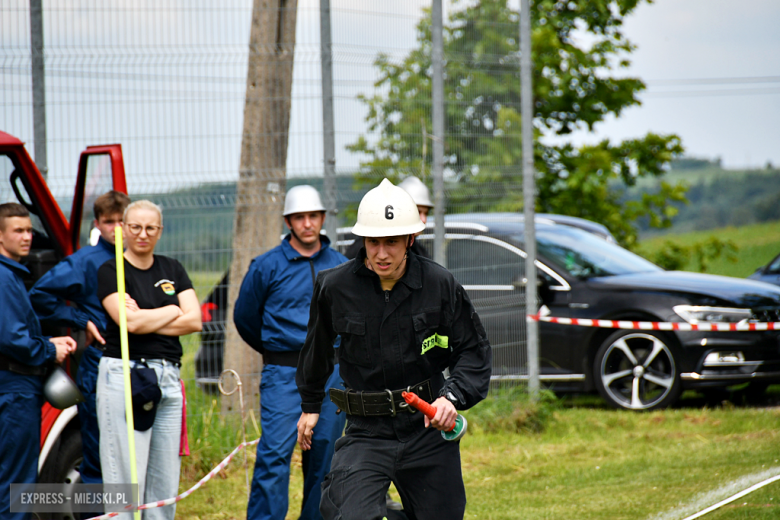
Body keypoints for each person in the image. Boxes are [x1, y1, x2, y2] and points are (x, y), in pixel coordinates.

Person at [296, 179, 492, 520]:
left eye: (392, 242)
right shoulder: (333, 287)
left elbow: (472, 350)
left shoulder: (439, 284)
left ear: (410, 240)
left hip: (426, 427)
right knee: (350, 514)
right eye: (373, 242)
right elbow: (317, 348)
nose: (382, 253)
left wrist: (452, 397)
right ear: (363, 240)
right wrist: (310, 404)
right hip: (365, 431)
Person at [234, 185, 348, 520]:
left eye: (313, 216)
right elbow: (245, 318)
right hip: (284, 373)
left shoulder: (341, 266)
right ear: (288, 221)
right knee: (274, 455)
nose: (308, 223)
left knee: (326, 455)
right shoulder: (266, 266)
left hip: (331, 374)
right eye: (300, 217)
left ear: (323, 218)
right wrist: (278, 350)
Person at [96, 200, 201, 520]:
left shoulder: (172, 268)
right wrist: (172, 311)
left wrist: (144, 314)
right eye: (135, 227)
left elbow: (195, 320)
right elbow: (129, 324)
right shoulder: (111, 270)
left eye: (150, 228)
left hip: (169, 377)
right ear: (123, 229)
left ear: (160, 231)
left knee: (164, 482)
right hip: (125, 375)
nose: (143, 234)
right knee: (126, 480)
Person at [29, 190, 130, 494]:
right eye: (109, 222)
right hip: (100, 362)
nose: (117, 228)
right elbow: (40, 296)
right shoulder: (85, 261)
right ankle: (93, 513)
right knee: (99, 450)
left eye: (122, 221)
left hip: (138, 362)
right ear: (97, 224)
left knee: (131, 450)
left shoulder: (137, 257)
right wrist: (81, 319)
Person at [0, 203, 76, 520]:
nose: (27, 237)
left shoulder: (12, 275)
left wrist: (47, 342)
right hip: (15, 389)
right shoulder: (5, 278)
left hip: (14, 386)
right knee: (16, 484)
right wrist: (49, 351)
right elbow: (11, 338)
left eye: (29, 229)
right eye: (18, 230)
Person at [344, 176, 433, 260]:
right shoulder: (360, 251)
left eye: (426, 213)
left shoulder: (419, 252)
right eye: (417, 211)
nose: (423, 219)